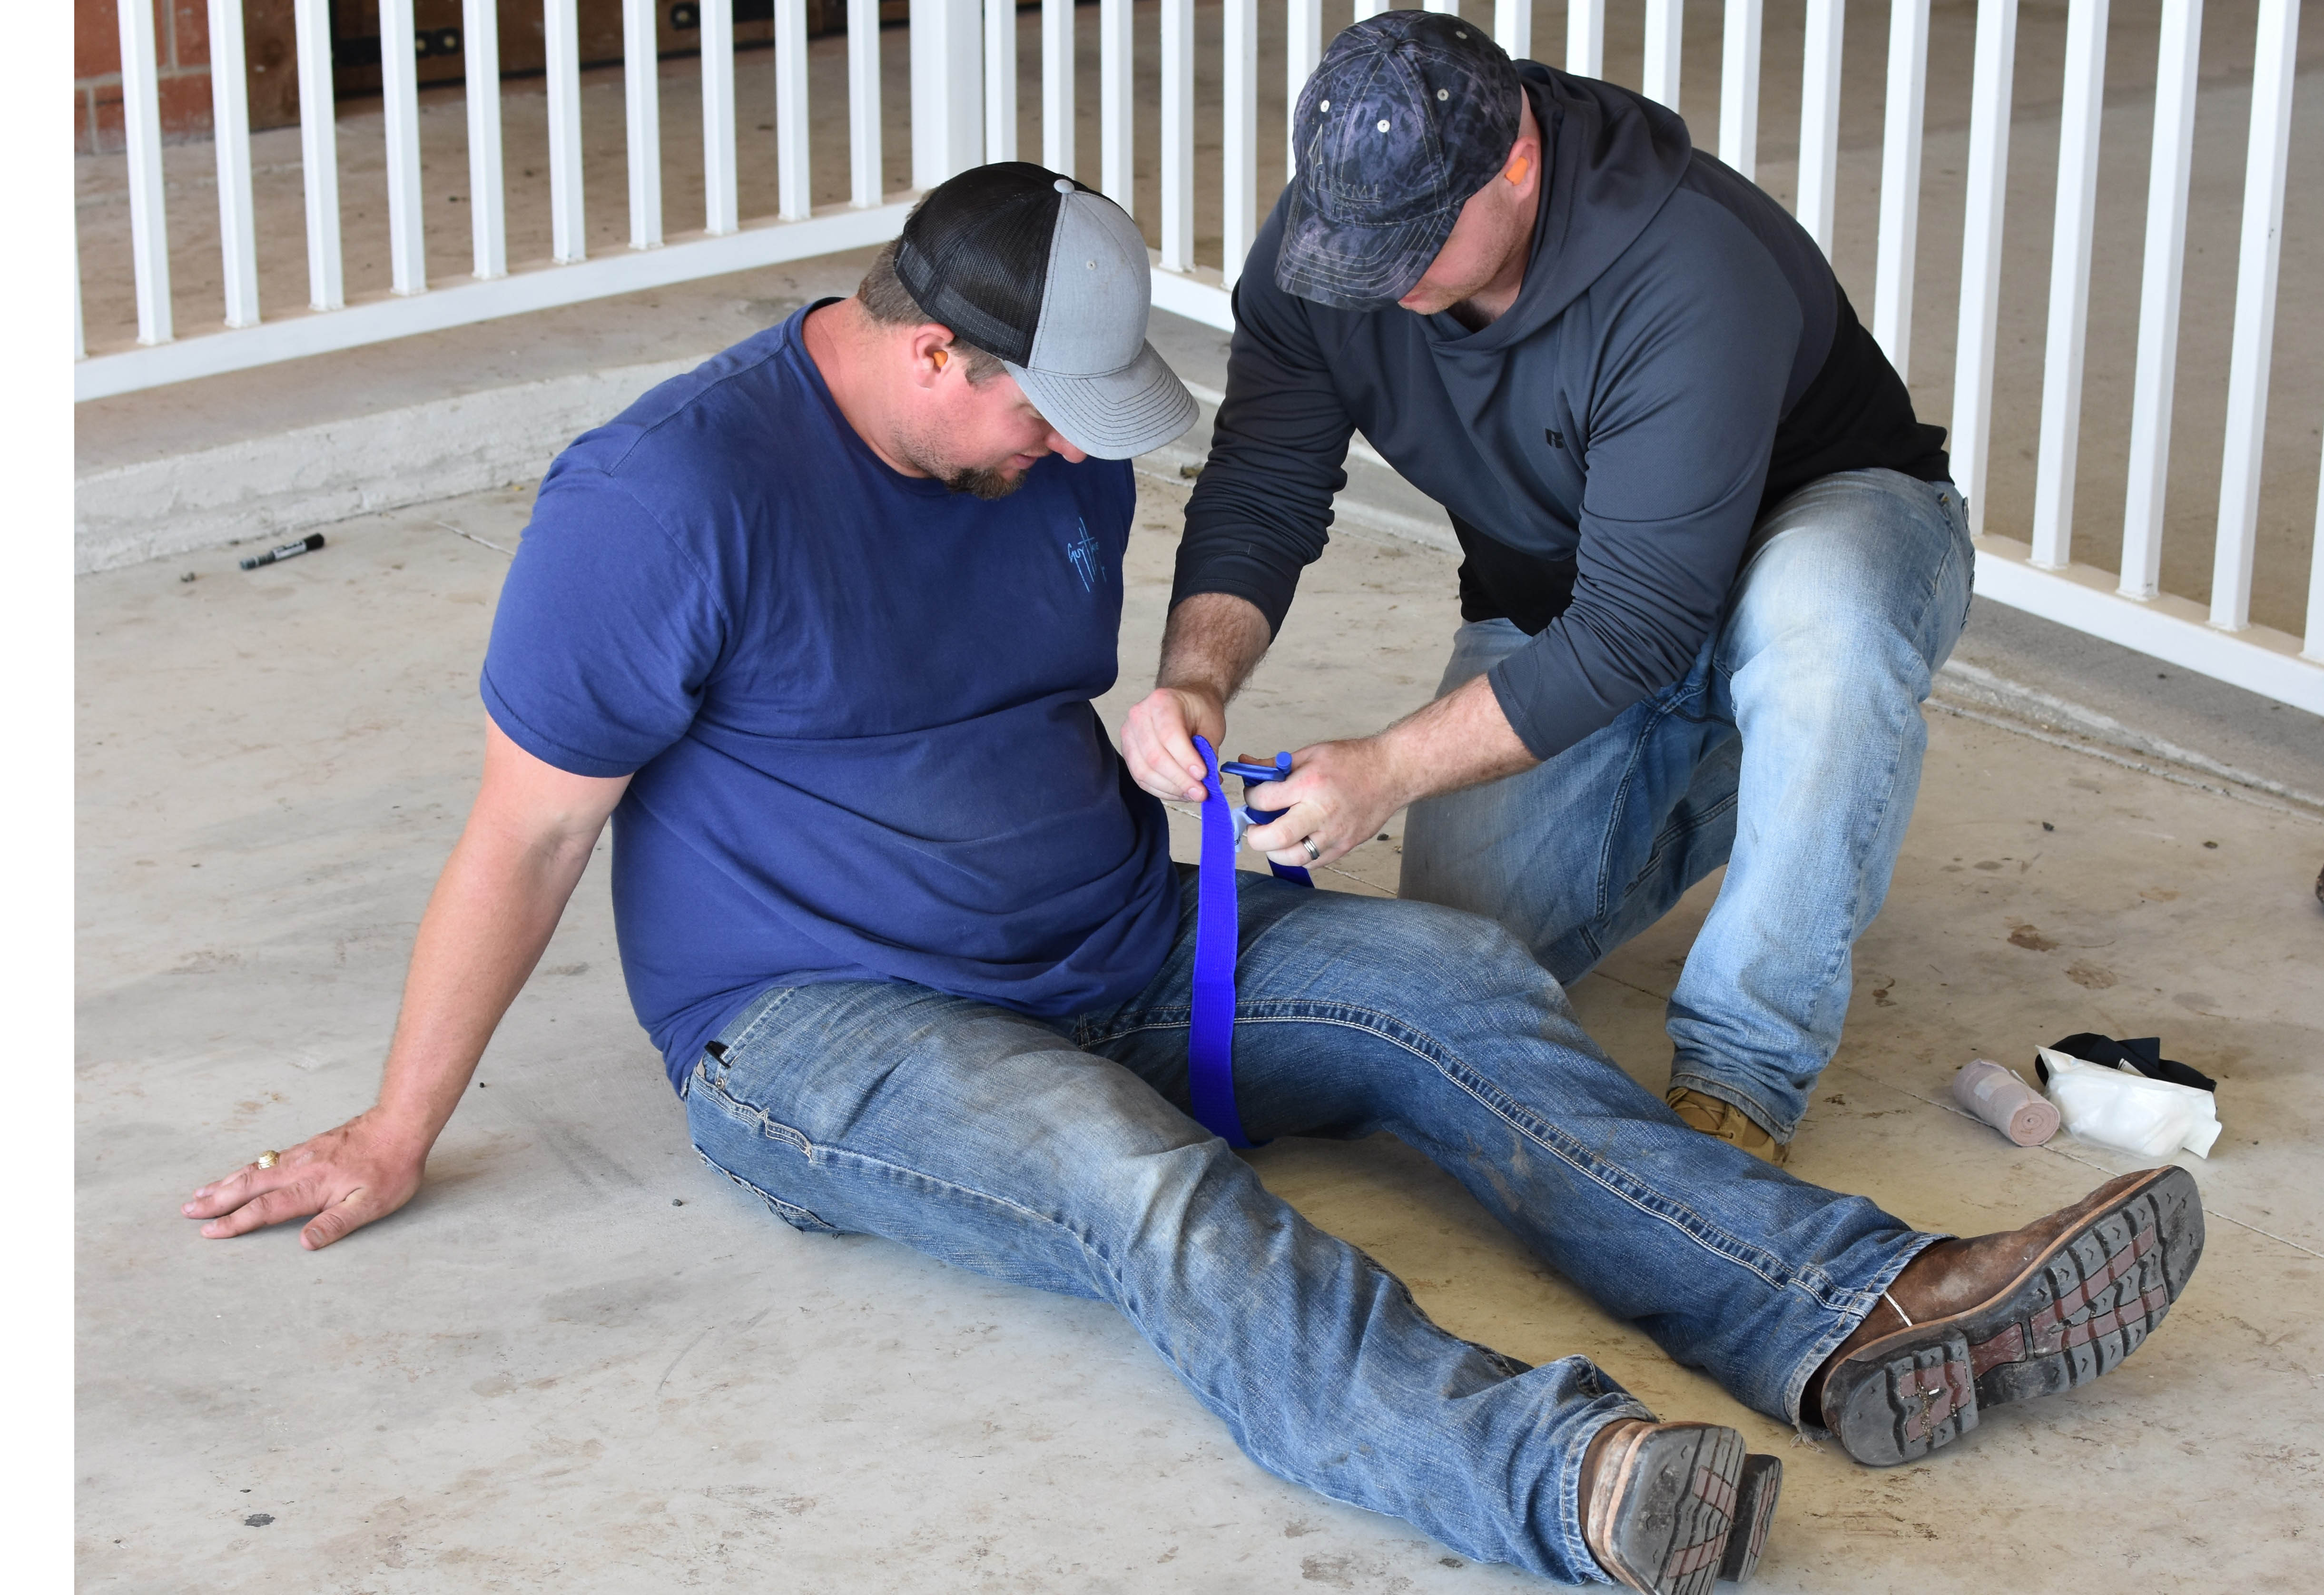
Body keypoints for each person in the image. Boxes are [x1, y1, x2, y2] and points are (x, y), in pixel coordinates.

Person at [183, 165, 2203, 1594]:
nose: (1087, 461)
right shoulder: (665, 500)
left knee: (1465, 1001)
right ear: (941, 361)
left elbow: (1033, 684)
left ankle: (1855, 1311)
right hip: (824, 1029)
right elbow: (526, 830)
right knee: (1137, 1181)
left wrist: (1167, 716)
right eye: (1055, 419)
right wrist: (394, 1126)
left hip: (1120, 935)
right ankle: (1562, 1477)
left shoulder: (1041, 457)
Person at [1123, 14, 1970, 1165]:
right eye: (1355, 247)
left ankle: (1744, 1064)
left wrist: (1389, 766)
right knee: (1462, 942)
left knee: (1823, 635)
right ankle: (1771, 761)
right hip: (1570, 594)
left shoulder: (1688, 265)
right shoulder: (1334, 245)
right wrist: (1194, 675)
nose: (1380, 280)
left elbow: (1638, 627)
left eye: (1415, 244)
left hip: (1826, 520)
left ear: (1517, 160)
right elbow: (1265, 485)